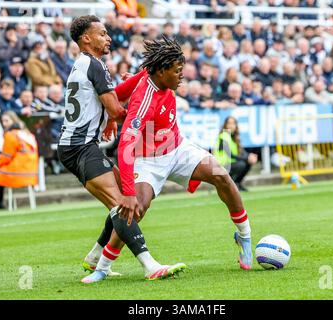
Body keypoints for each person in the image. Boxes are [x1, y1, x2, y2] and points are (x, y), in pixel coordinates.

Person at [82, 36, 253, 284]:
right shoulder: (144, 102)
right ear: (162, 72)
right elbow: (126, 148)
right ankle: (103, 266)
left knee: (221, 174)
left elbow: (116, 94)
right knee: (135, 208)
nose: (181, 76)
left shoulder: (149, 73)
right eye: (177, 71)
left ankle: (244, 236)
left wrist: (111, 115)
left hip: (177, 147)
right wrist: (128, 191)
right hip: (148, 160)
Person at [56, 15, 185, 283]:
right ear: (86, 39)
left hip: (78, 145)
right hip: (80, 148)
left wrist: (113, 116)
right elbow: (115, 107)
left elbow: (107, 103)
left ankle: (94, 257)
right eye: (102, 34)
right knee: (121, 204)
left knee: (126, 199)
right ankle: (149, 264)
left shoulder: (81, 64)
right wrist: (137, 114)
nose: (108, 38)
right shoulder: (96, 65)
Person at [0, 111, 38, 211]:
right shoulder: (27, 134)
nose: (4, 123)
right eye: (3, 121)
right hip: (32, 173)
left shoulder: (11, 135)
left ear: (13, 121)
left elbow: (5, 156)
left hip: (18, 173)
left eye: (6, 121)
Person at [214, 116, 258, 192]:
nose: (231, 126)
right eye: (229, 123)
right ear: (225, 125)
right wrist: (247, 158)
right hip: (220, 166)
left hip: (229, 164)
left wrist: (250, 156)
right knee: (242, 164)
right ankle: (229, 185)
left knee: (248, 163)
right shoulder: (223, 136)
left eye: (233, 123)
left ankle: (237, 184)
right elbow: (230, 154)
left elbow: (241, 152)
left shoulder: (234, 137)